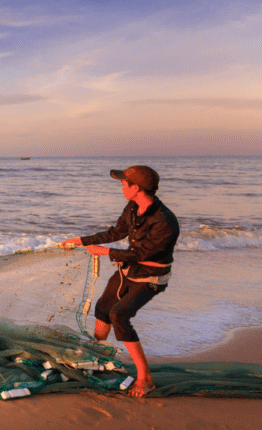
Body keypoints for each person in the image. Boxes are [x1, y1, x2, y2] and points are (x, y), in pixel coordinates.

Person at [59, 165, 178, 398]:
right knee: (103, 309)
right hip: (129, 269)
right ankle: (97, 358)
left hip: (151, 276)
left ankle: (146, 378)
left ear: (137, 188)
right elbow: (116, 233)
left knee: (119, 315)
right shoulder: (133, 206)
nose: (121, 187)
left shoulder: (165, 220)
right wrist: (82, 240)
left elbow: (143, 255)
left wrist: (106, 253)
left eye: (124, 184)